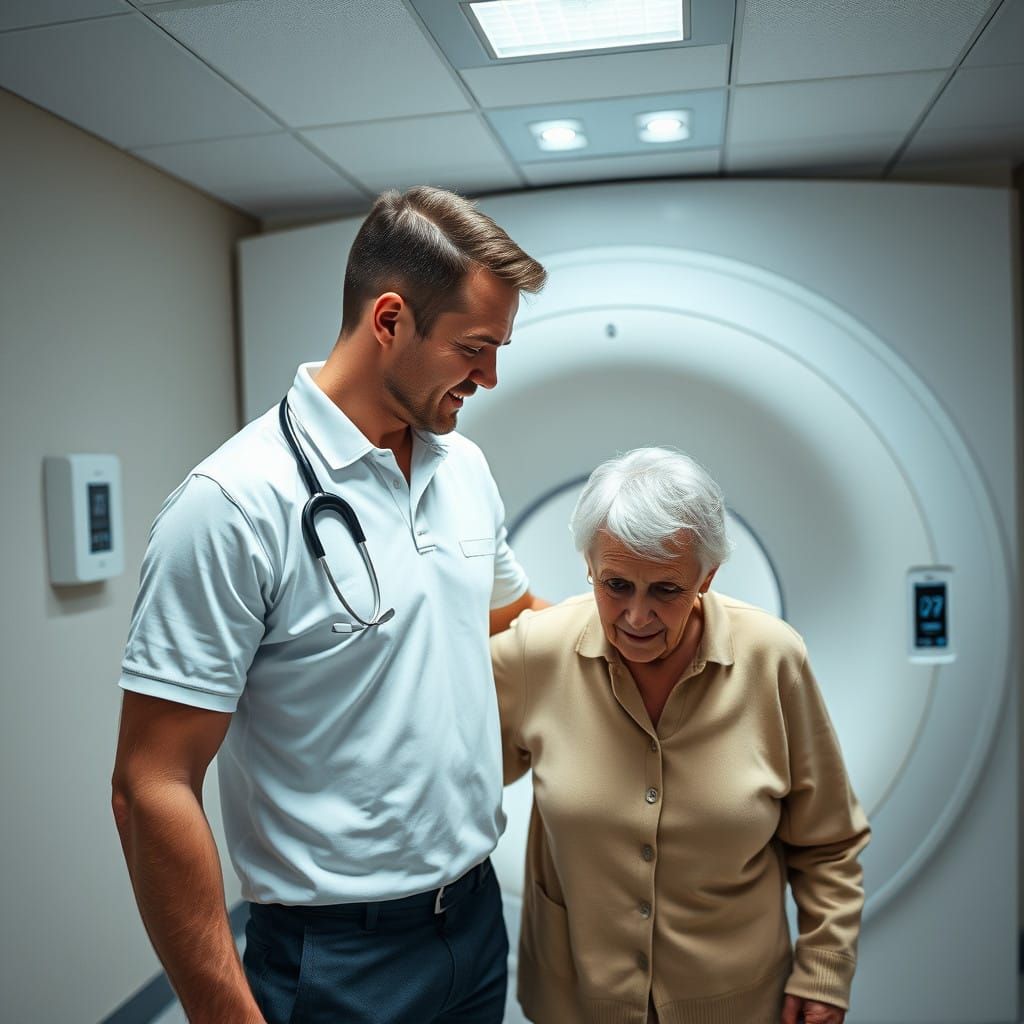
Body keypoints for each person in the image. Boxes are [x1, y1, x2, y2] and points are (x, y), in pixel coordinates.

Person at [111, 186, 548, 1024]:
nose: (489, 378)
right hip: (337, 960)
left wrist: (666, 619)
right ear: (389, 320)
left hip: (473, 925)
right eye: (474, 349)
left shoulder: (463, 469)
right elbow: (150, 784)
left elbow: (512, 616)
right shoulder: (234, 505)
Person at [491, 447, 871, 1024]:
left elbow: (830, 842)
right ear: (589, 567)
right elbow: (446, 778)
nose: (636, 616)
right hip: (577, 1003)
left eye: (665, 590)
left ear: (706, 577)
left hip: (740, 1004)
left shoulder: (772, 659)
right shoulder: (534, 653)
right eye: (616, 585)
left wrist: (824, 970)